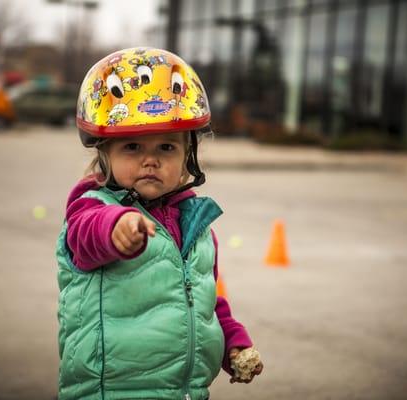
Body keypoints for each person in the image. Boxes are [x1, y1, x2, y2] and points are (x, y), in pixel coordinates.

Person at [56, 47, 263, 400]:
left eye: (166, 147)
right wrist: (116, 226)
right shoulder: (90, 210)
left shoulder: (196, 225)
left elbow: (203, 299)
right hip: (111, 392)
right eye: (133, 147)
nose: (150, 160)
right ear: (104, 154)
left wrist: (233, 341)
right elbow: (85, 237)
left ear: (188, 157)